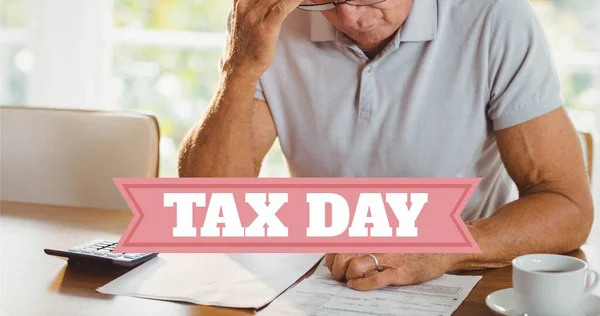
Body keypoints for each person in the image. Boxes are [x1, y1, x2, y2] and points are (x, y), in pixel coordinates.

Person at [178, 0, 594, 291]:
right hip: (321, 280)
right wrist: (239, 67)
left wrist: (441, 246)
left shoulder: (494, 15)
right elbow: (210, 203)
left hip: (463, 277)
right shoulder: (280, 17)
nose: (347, 14)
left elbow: (566, 205)